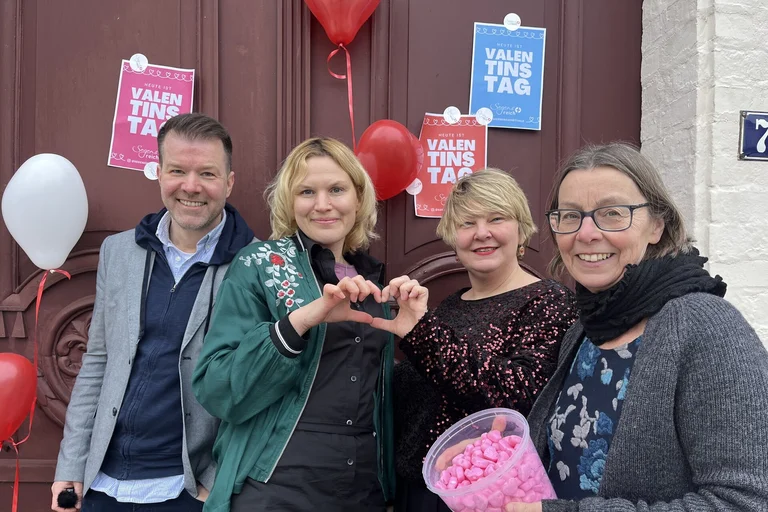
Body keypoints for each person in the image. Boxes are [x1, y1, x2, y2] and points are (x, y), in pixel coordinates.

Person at [509, 143, 768, 511]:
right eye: (569, 216)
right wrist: (499, 452)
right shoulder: (586, 328)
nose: (585, 234)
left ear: (657, 226)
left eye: (613, 213)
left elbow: (747, 502)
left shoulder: (707, 327)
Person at [192, 137, 428, 512]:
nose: (322, 204)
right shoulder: (261, 264)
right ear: (290, 201)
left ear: (358, 197)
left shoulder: (375, 285)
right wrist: (300, 322)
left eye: (336, 189)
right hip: (276, 487)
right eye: (306, 191)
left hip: (363, 492)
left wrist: (419, 333)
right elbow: (218, 389)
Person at [51, 113, 256, 512]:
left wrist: (214, 482)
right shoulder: (120, 251)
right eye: (178, 170)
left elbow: (254, 389)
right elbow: (97, 361)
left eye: (208, 174)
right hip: (102, 485)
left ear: (229, 182)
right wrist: (71, 465)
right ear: (159, 173)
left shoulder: (253, 264)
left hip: (186, 489)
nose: (191, 187)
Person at [392, 169, 578, 511]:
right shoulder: (448, 307)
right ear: (452, 236)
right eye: (467, 223)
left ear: (521, 228)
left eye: (496, 218)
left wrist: (421, 333)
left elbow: (516, 395)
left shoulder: (549, 301)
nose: (482, 233)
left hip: (489, 497)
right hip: (420, 492)